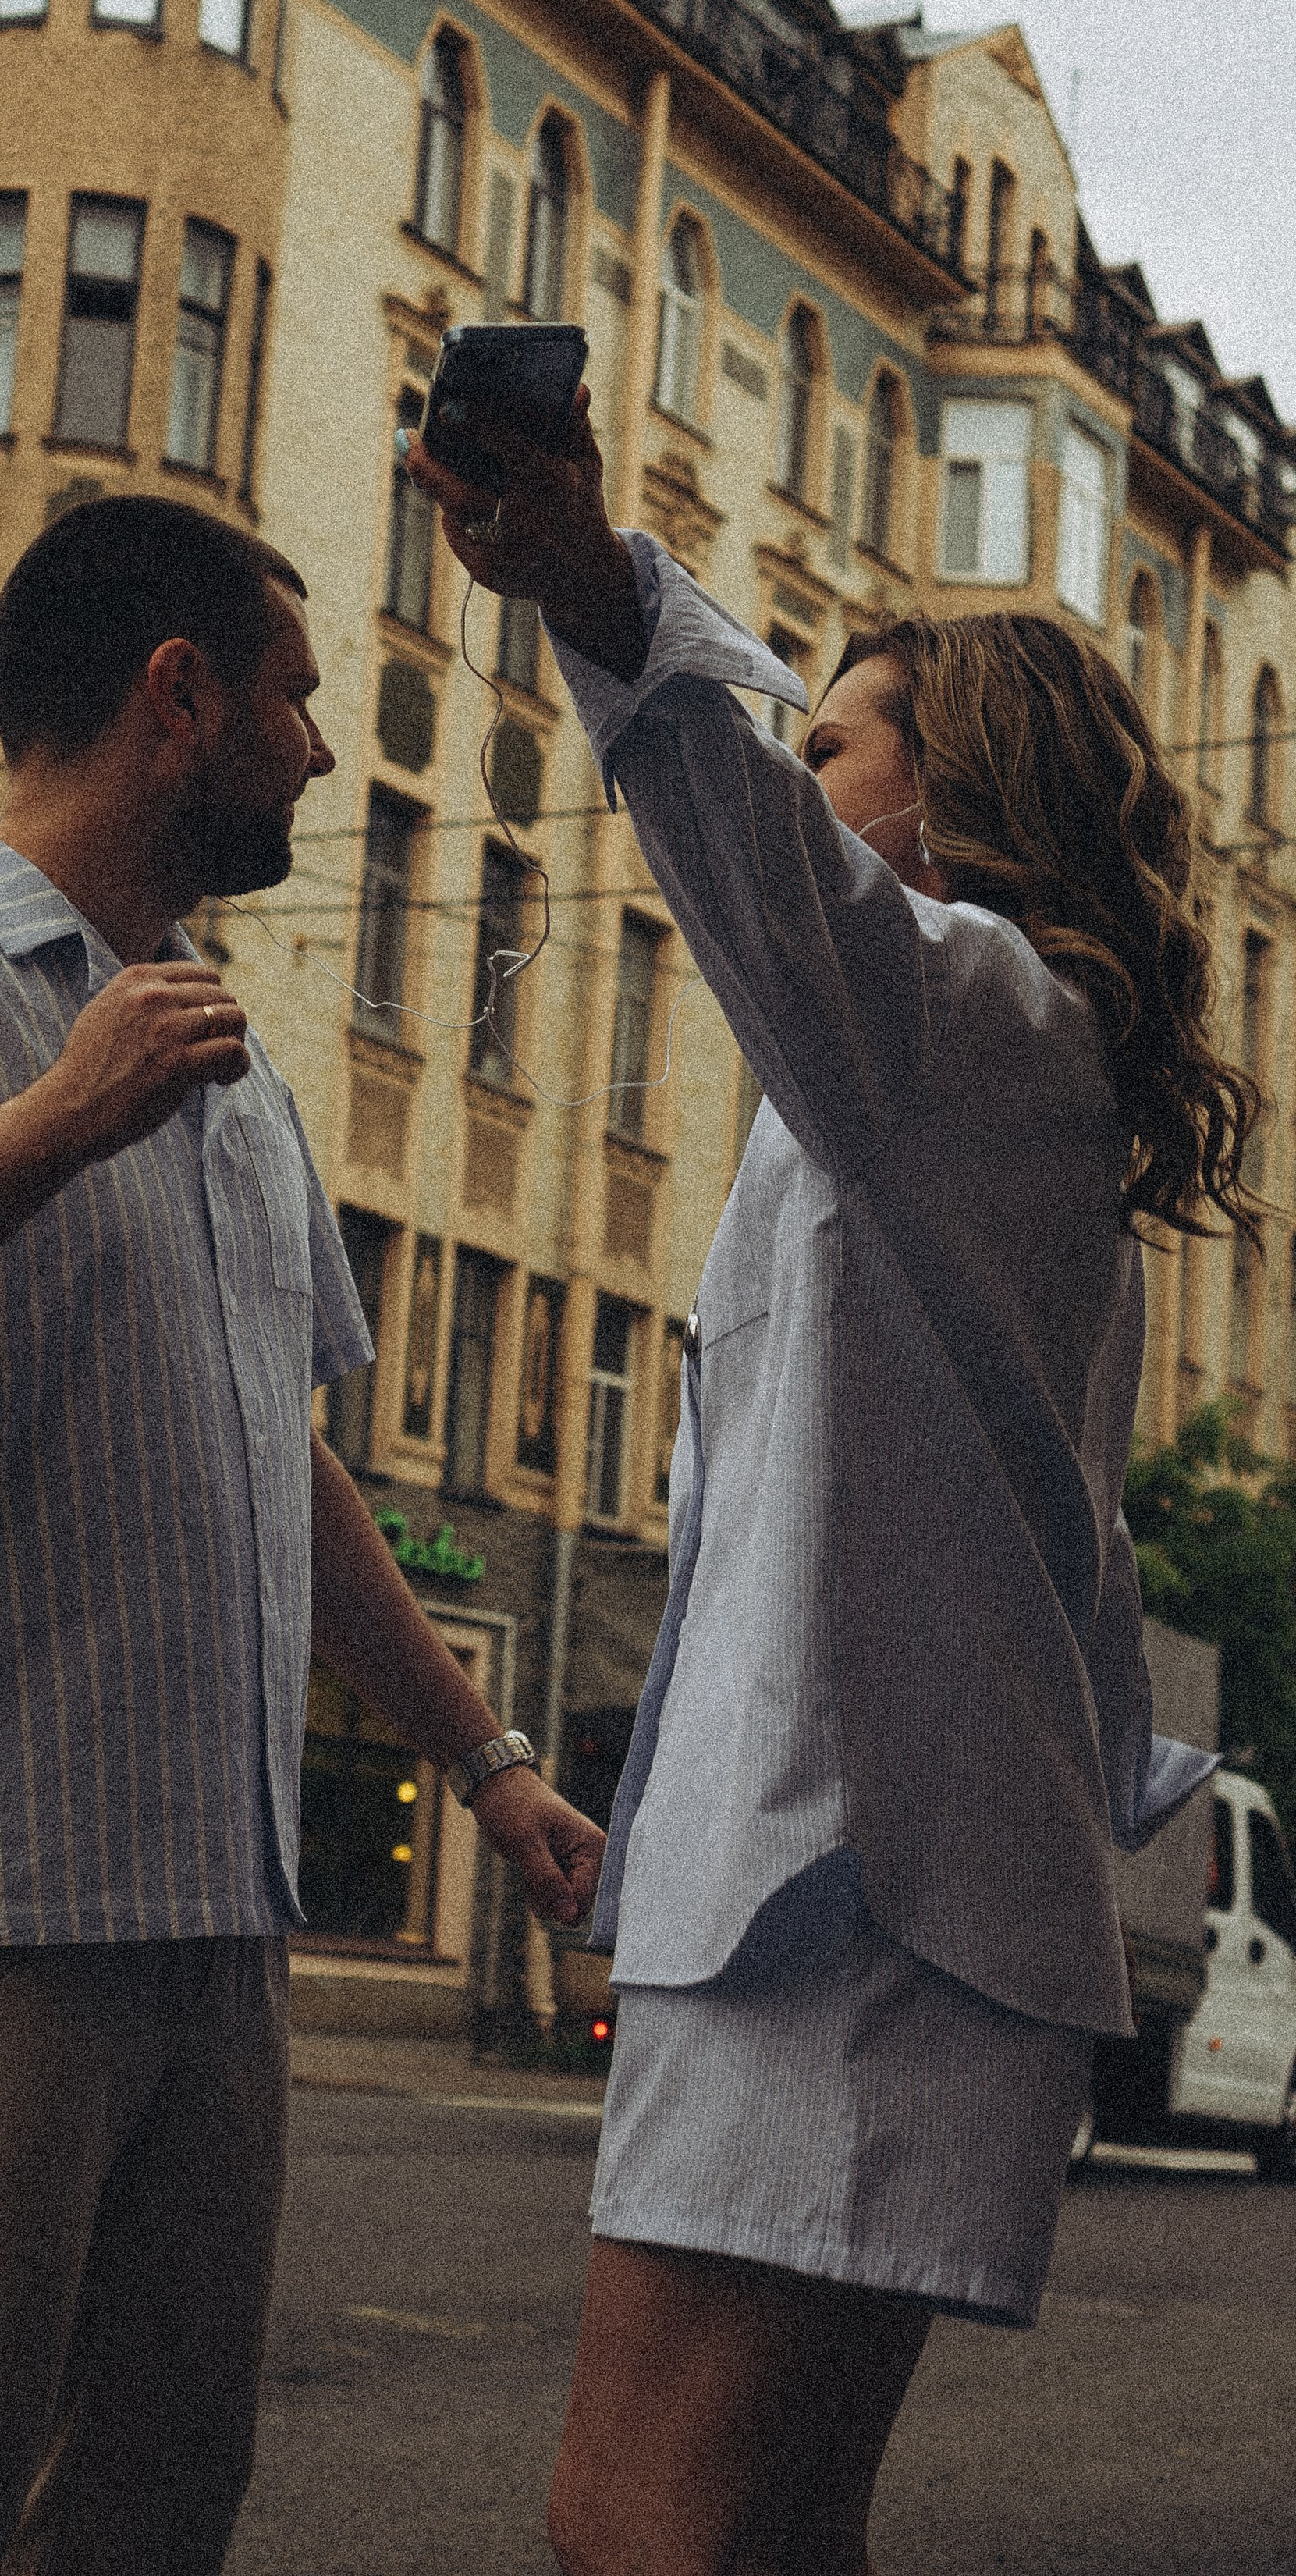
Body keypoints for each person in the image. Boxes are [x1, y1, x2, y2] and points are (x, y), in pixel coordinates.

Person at [0, 494, 604, 2576]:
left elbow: (281, 1458)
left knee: (147, 2513)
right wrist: (52, 1122)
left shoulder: (210, 1051)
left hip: (202, 1929)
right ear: (179, 700)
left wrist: (484, 1766)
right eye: (297, 702)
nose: (322, 754)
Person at [404, 402, 1237, 2576]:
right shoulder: (949, 1081)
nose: (800, 776)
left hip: (853, 1908)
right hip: (857, 1892)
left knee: (638, 2533)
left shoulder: (976, 1027)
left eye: (839, 743)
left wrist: (598, 581)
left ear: (941, 813)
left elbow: (745, 858)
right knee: (754, 2539)